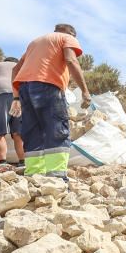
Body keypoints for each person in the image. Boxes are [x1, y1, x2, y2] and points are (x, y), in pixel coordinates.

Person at [10, 24, 90, 179]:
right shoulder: (67, 38)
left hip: (25, 88)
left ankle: (34, 175)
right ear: (72, 34)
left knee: (33, 132)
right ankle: (57, 177)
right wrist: (85, 91)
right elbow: (71, 60)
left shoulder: (35, 42)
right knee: (57, 129)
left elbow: (15, 70)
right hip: (48, 86)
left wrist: (15, 96)